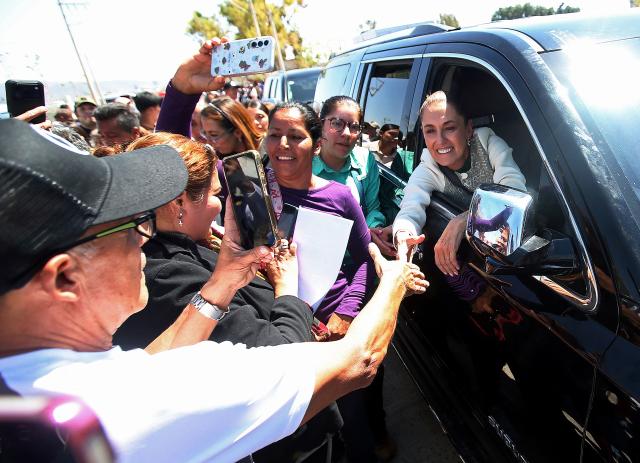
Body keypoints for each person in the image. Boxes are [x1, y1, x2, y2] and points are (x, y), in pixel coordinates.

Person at [0, 117, 426, 463]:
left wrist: (222, 281)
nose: (144, 243)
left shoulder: (34, 388)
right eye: (131, 227)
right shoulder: (136, 409)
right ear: (64, 278)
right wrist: (393, 281)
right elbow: (358, 361)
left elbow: (149, 367)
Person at [390, 90, 526, 275]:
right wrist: (404, 235)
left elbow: (515, 191)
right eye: (430, 131)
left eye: (449, 128)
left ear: (468, 129)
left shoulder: (488, 143)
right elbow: (410, 209)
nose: (440, 140)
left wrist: (464, 220)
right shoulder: (428, 168)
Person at [313, 96, 393, 258]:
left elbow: (372, 208)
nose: (347, 133)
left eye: (354, 127)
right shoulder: (304, 163)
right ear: (321, 125)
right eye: (337, 123)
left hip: (359, 257)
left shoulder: (365, 160)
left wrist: (374, 231)